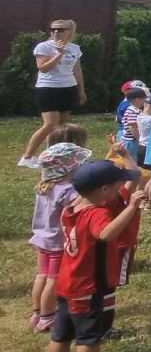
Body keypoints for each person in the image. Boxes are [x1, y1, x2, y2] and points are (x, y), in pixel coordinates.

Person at [45, 159, 142, 352]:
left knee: (60, 334)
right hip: (86, 286)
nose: (120, 189)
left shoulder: (71, 207)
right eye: (117, 186)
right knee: (88, 338)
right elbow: (106, 234)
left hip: (66, 282)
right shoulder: (95, 213)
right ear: (104, 189)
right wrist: (131, 208)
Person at [30, 141, 89, 333]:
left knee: (42, 276)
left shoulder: (44, 185)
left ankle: (37, 312)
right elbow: (78, 209)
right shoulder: (67, 190)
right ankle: (47, 317)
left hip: (42, 240)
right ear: (68, 168)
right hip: (57, 242)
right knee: (53, 279)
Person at [19, 18, 85, 169]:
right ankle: (27, 157)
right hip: (48, 88)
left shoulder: (74, 48)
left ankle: (54, 156)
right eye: (53, 29)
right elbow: (43, 68)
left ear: (69, 32)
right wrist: (58, 54)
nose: (56, 32)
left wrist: (81, 90)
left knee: (62, 126)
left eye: (61, 29)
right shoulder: (44, 47)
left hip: (68, 88)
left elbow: (77, 70)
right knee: (50, 124)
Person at [118, 84, 148, 164]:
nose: (145, 101)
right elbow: (132, 127)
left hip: (132, 140)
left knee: (134, 159)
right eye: (144, 99)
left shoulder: (136, 110)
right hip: (130, 141)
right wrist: (140, 140)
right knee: (130, 161)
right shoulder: (132, 111)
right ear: (137, 100)